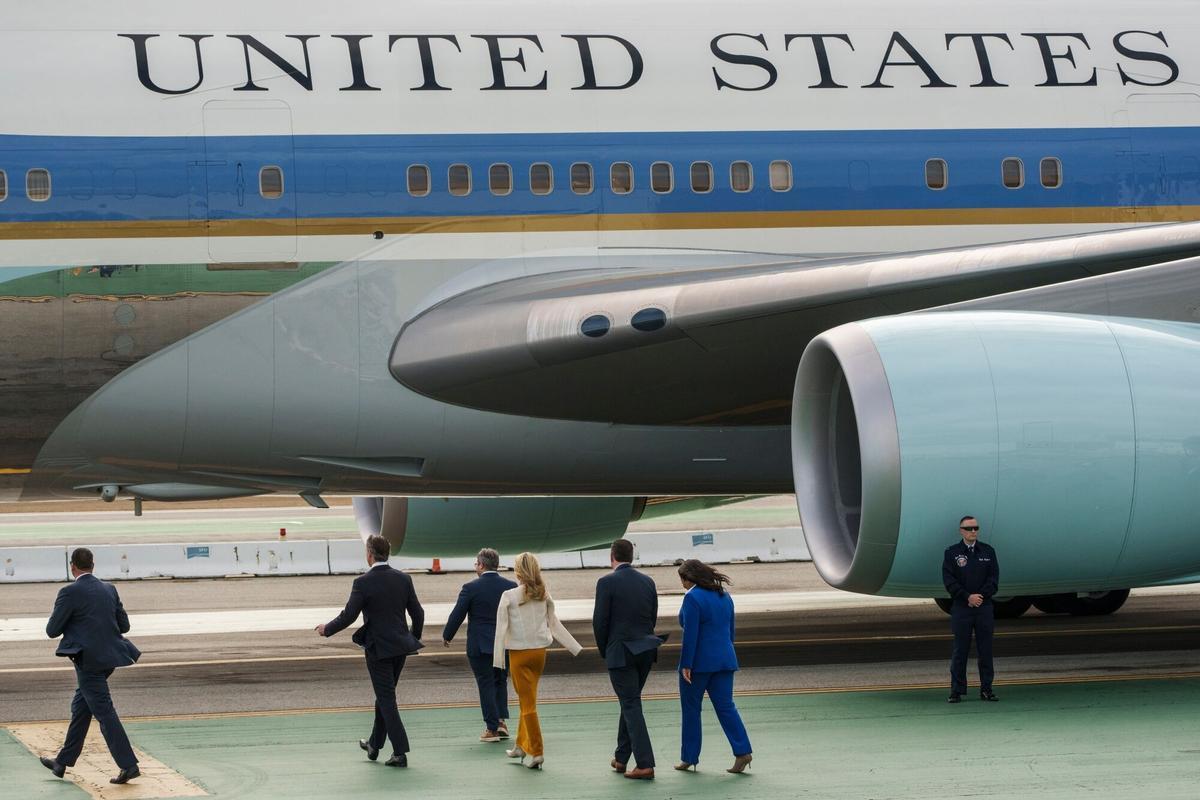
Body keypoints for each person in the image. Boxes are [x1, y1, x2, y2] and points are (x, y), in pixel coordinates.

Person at [317, 535, 425, 767]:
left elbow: (349, 615)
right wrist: (412, 638)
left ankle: (400, 752)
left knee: (387, 700)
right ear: (387, 553)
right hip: (400, 648)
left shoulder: (363, 582)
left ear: (369, 554)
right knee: (384, 697)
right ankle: (374, 745)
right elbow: (418, 613)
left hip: (378, 650)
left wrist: (327, 629)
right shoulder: (403, 579)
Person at [40, 547, 142, 785]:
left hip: (88, 662)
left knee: (104, 712)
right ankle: (62, 762)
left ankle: (128, 765)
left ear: (72, 566)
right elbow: (124, 626)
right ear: (92, 566)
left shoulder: (69, 592)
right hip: (110, 659)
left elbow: (52, 630)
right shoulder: (109, 589)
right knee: (81, 708)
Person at [493, 552, 582, 769]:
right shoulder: (543, 593)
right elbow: (554, 623)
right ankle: (521, 745)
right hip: (539, 653)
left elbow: (500, 630)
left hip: (519, 654)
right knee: (529, 700)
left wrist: (498, 661)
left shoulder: (509, 596)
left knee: (527, 705)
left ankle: (537, 751)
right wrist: (573, 646)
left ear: (518, 572)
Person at [592, 538, 663, 780]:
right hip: (644, 648)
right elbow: (652, 616)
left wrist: (606, 650)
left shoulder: (606, 582)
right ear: (631, 556)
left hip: (620, 651)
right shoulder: (648, 581)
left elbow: (600, 622)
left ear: (612, 556)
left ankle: (645, 763)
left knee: (631, 704)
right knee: (630, 700)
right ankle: (622, 757)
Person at [675, 559, 753, 774]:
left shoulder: (692, 598)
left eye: (681, 579)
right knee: (727, 707)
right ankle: (742, 751)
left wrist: (686, 664)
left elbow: (690, 634)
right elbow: (730, 631)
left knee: (691, 710)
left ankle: (689, 757)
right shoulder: (724, 595)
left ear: (688, 578)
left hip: (699, 664)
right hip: (725, 660)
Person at [442, 547, 518, 742]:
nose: (476, 567)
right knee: (500, 681)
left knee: (485, 684)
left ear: (482, 565)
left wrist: (447, 635)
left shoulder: (470, 588)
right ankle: (501, 722)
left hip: (480, 644)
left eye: (476, 563)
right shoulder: (511, 586)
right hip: (504, 643)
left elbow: (458, 614)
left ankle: (491, 729)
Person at [942, 515, 1000, 703]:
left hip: (984, 608)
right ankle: (956, 690)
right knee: (960, 650)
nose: (973, 531)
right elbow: (949, 581)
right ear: (961, 531)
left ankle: (986, 689)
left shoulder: (988, 552)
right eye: (969, 529)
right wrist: (967, 597)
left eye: (975, 528)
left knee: (986, 651)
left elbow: (993, 580)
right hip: (962, 608)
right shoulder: (952, 553)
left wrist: (979, 597)